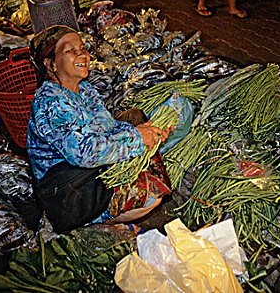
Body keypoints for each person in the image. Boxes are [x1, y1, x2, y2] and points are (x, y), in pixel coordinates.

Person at [27, 25, 173, 233]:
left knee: (136, 119)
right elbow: (85, 153)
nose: (82, 54)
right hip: (68, 188)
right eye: (71, 50)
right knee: (151, 197)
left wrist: (145, 133)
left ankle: (107, 213)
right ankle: (94, 223)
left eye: (82, 48)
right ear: (50, 64)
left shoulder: (84, 88)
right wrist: (136, 140)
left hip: (89, 168)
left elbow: (108, 127)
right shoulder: (51, 103)